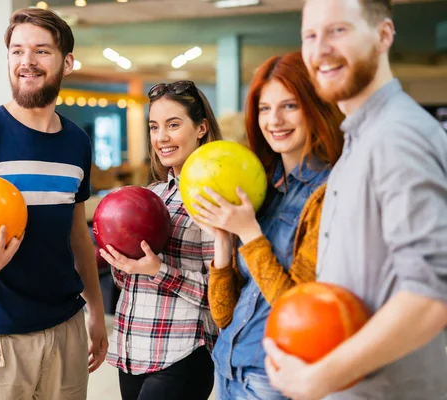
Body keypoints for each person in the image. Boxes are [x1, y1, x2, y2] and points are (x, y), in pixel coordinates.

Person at [263, 1, 447, 399]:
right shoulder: (358, 144)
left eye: (338, 31)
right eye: (310, 35)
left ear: (383, 35)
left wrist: (320, 378)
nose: (320, 48)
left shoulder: (397, 138)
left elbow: (430, 297)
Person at [0, 8, 107, 400]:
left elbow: (79, 235)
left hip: (67, 328)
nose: (27, 61)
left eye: (42, 51)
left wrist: (95, 309)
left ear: (67, 62)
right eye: (17, 51)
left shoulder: (77, 142)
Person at [192, 51, 344, 399]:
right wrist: (224, 241)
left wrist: (249, 232)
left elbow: (301, 311)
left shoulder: (330, 192)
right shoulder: (261, 184)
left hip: (272, 381)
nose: (274, 119)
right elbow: (223, 315)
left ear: (315, 106)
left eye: (289, 105)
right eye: (264, 108)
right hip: (227, 367)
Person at [98, 81, 222, 400]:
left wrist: (159, 270)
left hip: (181, 351)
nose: (161, 137)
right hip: (133, 348)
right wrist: (119, 261)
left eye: (173, 124)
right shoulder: (151, 195)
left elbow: (224, 295)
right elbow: (128, 281)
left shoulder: (216, 197)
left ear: (201, 128)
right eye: (155, 126)